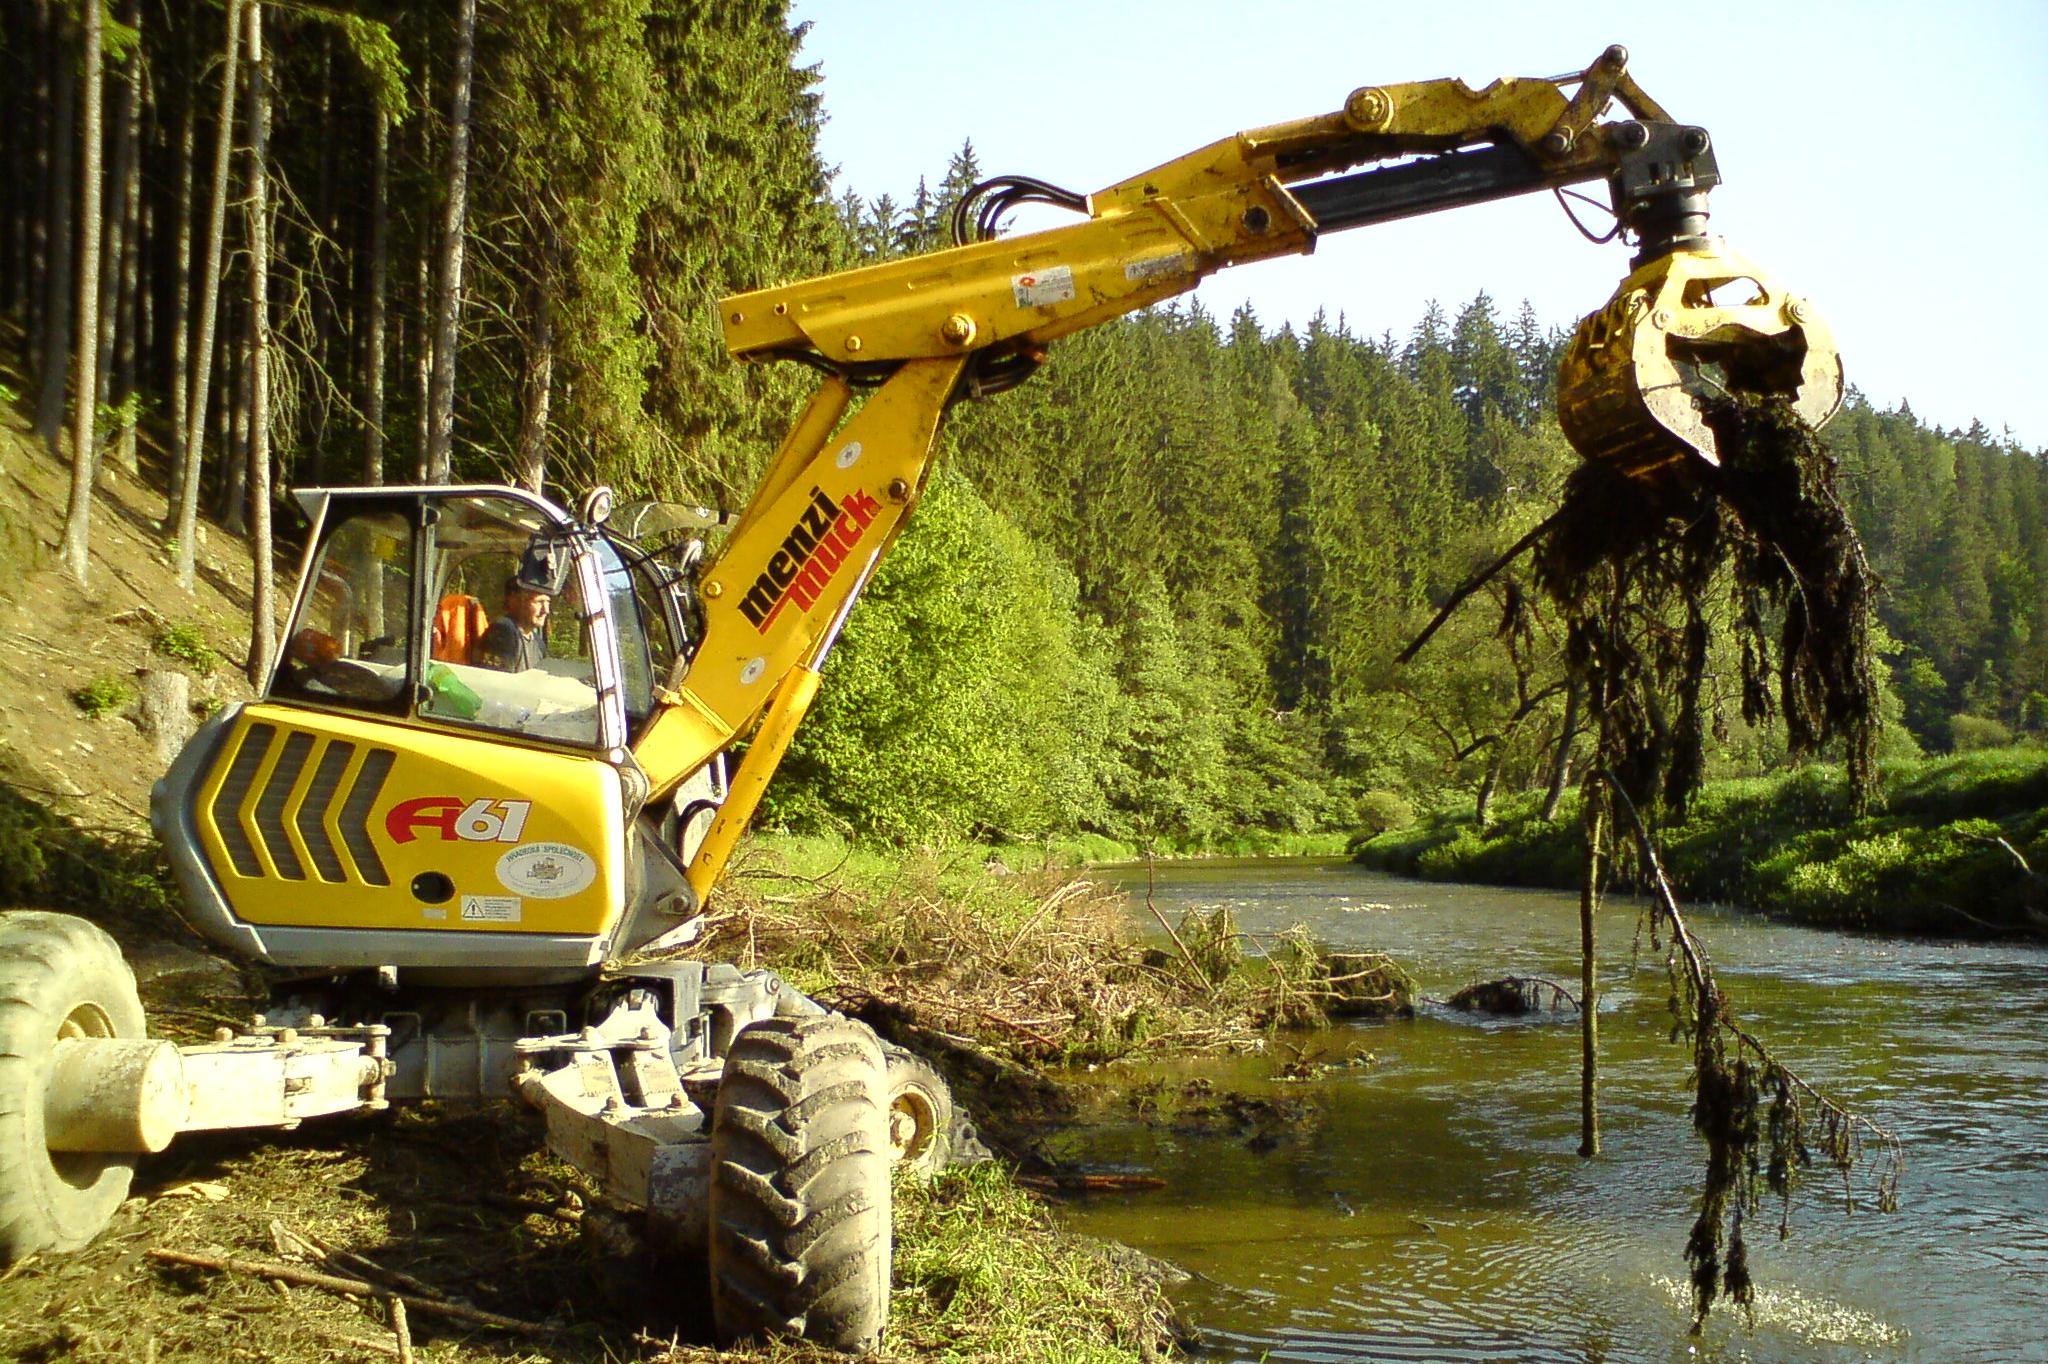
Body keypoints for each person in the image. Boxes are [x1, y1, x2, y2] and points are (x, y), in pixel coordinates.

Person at [475, 573, 551, 672]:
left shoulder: (538, 643)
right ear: (515, 601)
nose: (546, 610)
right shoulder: (503, 631)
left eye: (548, 602)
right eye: (539, 602)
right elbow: (496, 682)